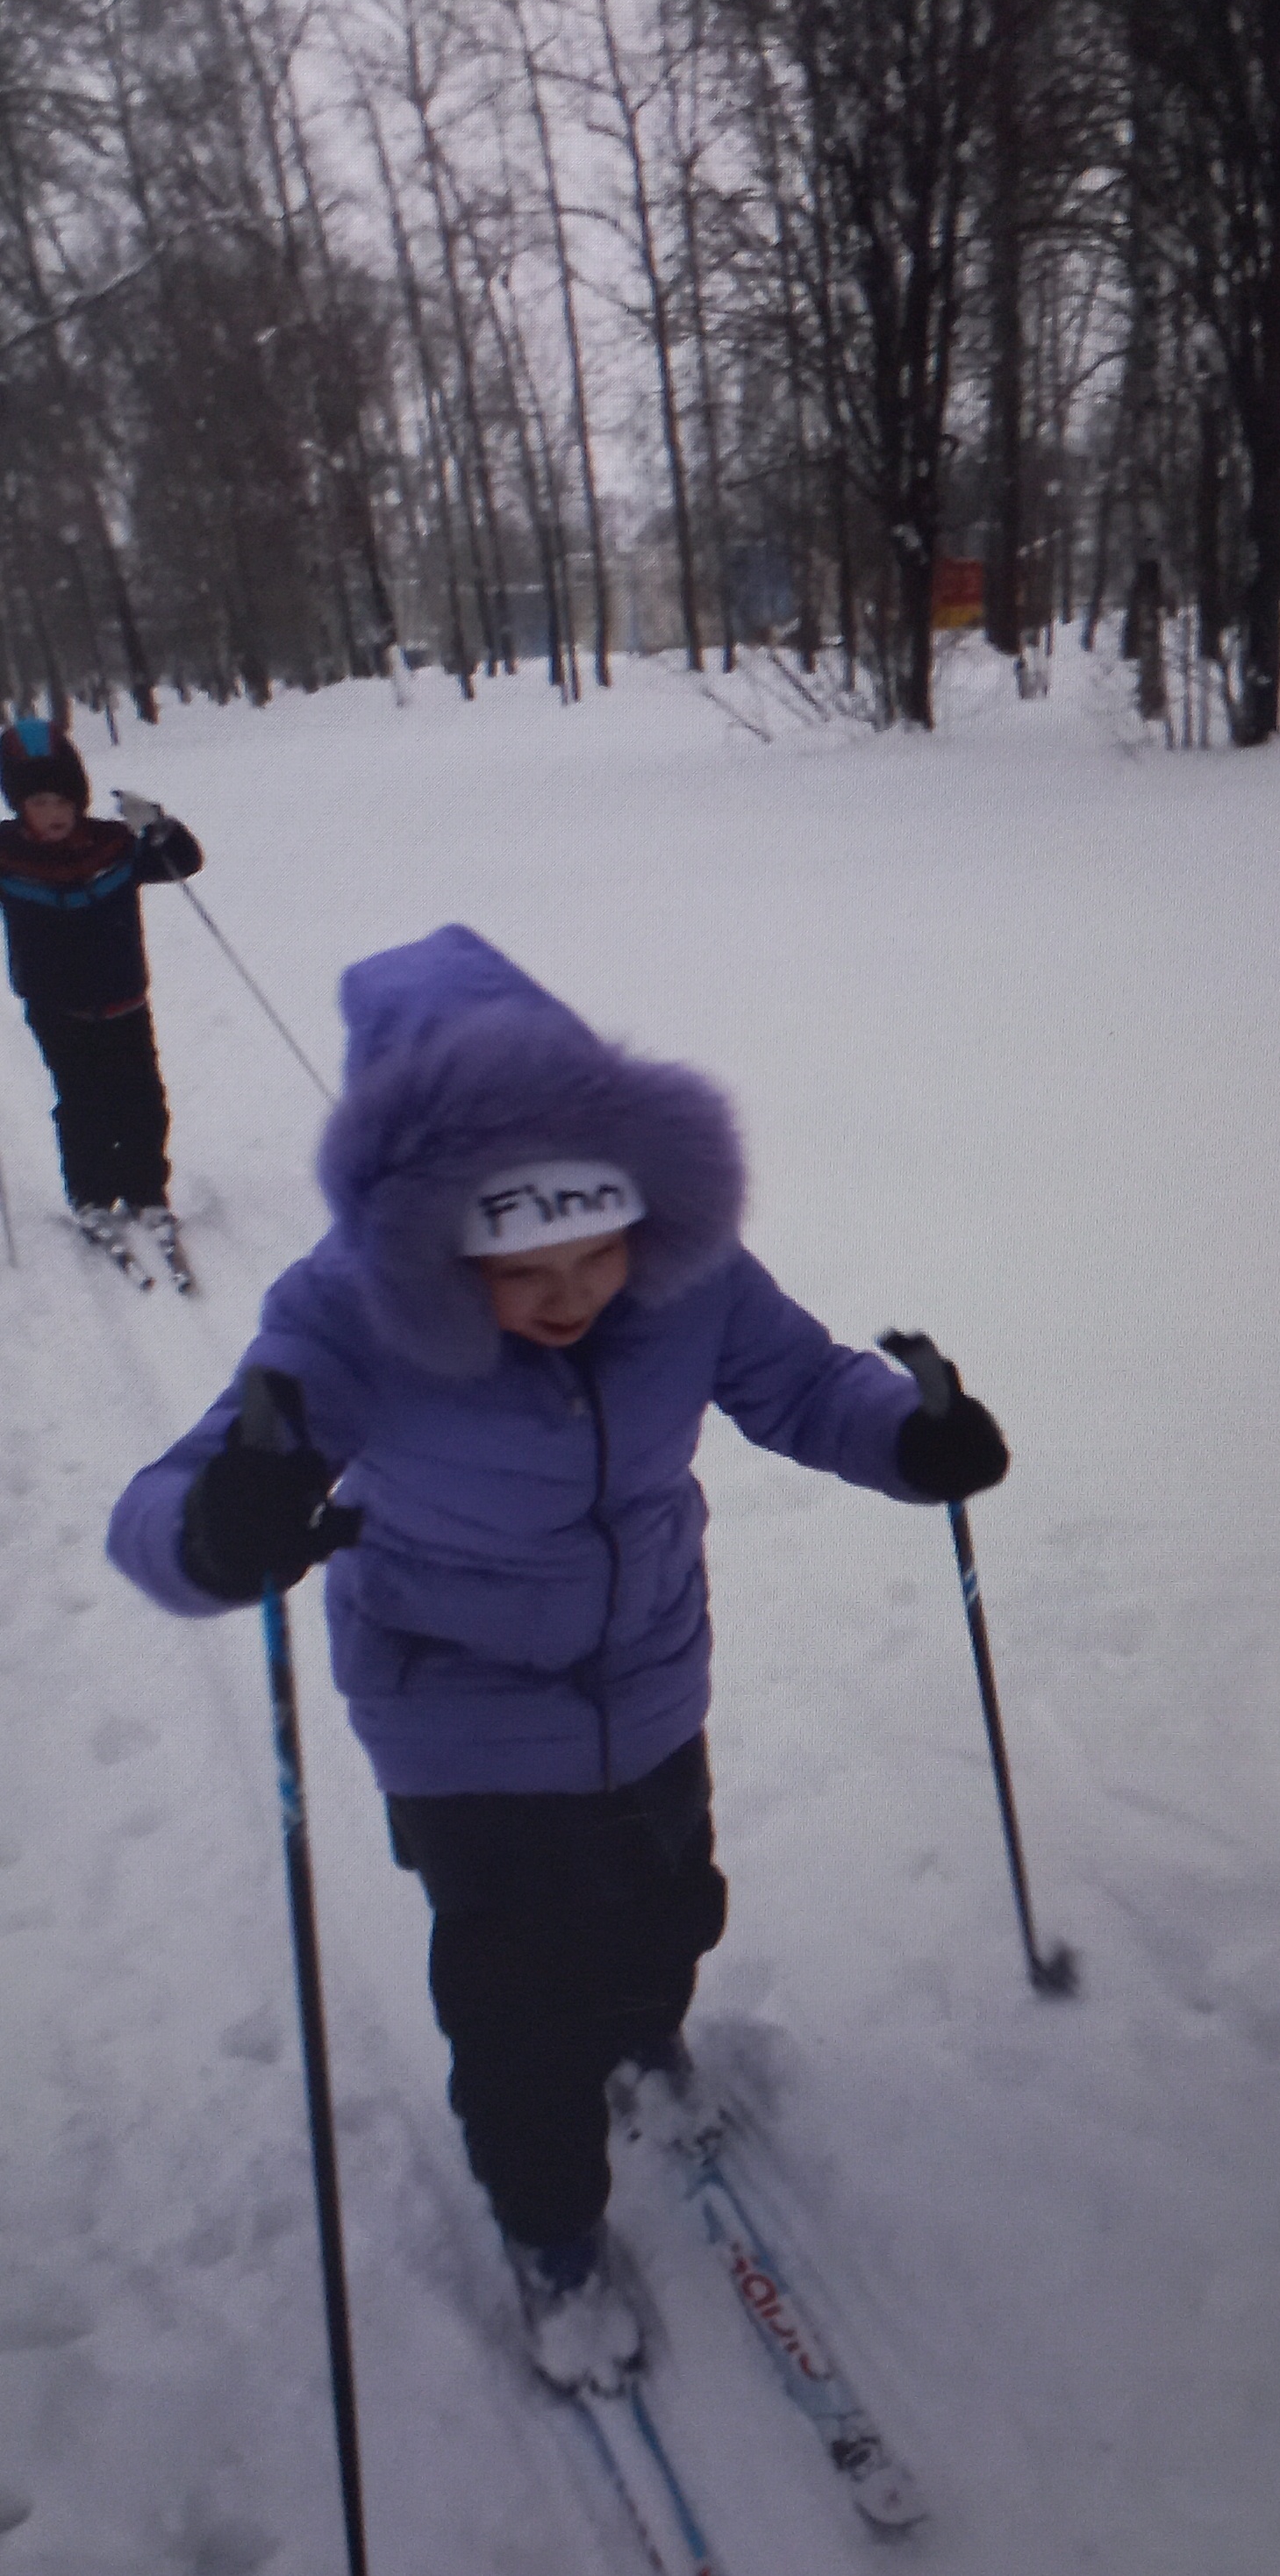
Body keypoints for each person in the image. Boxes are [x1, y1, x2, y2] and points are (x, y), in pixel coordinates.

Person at [106, 925, 1008, 2396]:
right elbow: (166, 1499)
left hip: (650, 1674)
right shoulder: (347, 1315)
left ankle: (646, 2037)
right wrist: (220, 1530)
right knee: (517, 2004)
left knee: (668, 1902)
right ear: (437, 1230)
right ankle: (551, 2231)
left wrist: (908, 1438)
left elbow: (796, 1381)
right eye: (525, 1266)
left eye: (599, 1252)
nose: (575, 1291)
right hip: (455, 1712)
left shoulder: (687, 1270)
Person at [0, 716, 202, 1258]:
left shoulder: (114, 844)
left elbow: (184, 863)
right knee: (82, 1101)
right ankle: (91, 1195)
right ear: (19, 807)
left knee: (140, 1097)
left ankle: (146, 1190)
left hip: (123, 997)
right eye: (39, 803)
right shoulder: (7, 854)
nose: (53, 814)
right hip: (54, 1004)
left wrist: (161, 828)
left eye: (62, 801)